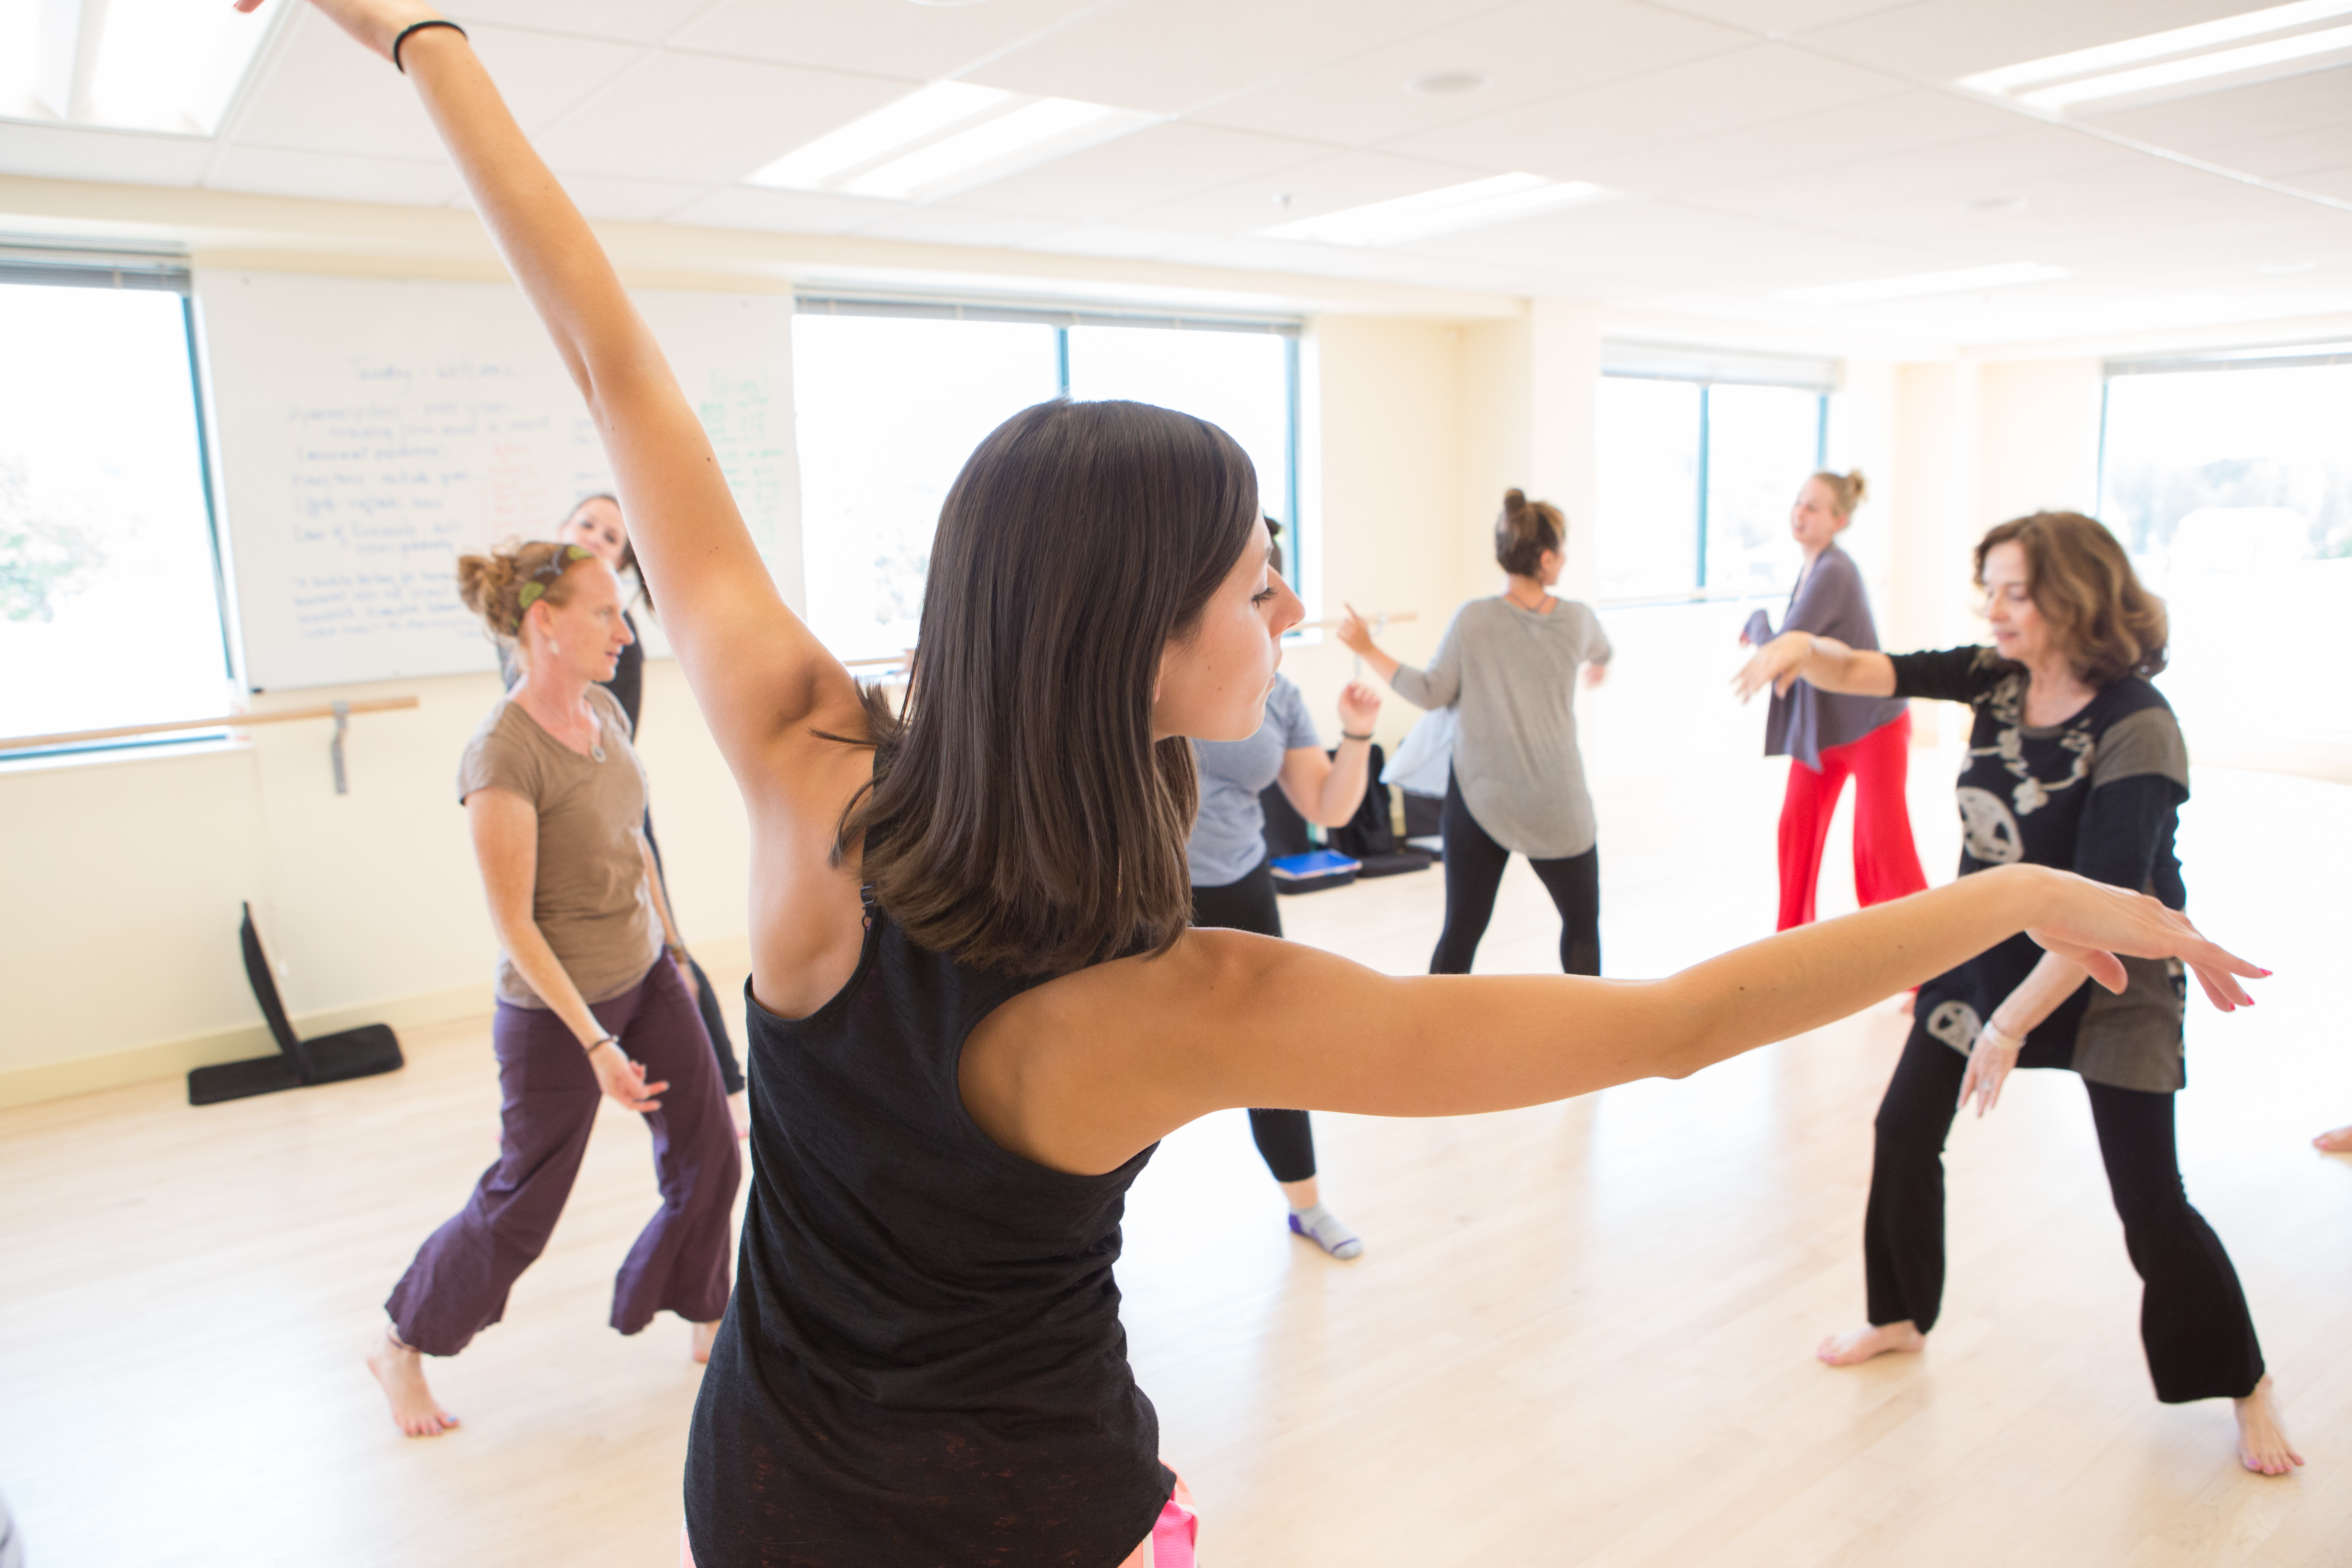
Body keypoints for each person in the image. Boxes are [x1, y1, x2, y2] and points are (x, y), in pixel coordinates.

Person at [271, 6, 2266, 1557]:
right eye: (1258, 577)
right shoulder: (1189, 1006)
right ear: (1144, 642)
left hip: (766, 1491)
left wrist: (414, 37)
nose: (1287, 604)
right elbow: (1683, 1023)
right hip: (1020, 1520)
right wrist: (2022, 895)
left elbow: (612, 356)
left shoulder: (815, 776)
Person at [1735, 510, 2301, 1477]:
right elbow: (1873, 670)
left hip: (2115, 971)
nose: (1991, 609)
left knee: (2148, 1200)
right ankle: (1899, 1313)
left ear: (2071, 597)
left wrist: (2006, 1026)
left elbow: (2105, 912)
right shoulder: (1993, 677)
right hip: (1987, 949)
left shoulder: (2134, 726)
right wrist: (1804, 647)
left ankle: (2242, 1381)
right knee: (1903, 1127)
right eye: (1984, 588)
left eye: (2013, 591)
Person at [364, 537, 741, 1438]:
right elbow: (516, 926)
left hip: (647, 972)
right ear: (545, 621)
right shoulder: (502, 754)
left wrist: (676, 949)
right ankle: (401, 1341)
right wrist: (598, 1044)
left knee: (712, 1155)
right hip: (554, 1012)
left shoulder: (605, 712)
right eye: (605, 612)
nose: (624, 628)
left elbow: (633, 840)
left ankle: (706, 1321)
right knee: (522, 1205)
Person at [1189, 521, 1381, 1260]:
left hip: (1239, 888)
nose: (1285, 606)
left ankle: (1306, 1206)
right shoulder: (1143, 673)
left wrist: (1357, 735)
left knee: (1274, 1057)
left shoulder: (1282, 695)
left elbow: (1328, 809)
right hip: (1141, 900)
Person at [1338, 490, 1611, 978]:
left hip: (1482, 798)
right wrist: (1597, 668)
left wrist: (1367, 647)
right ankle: (1591, 1041)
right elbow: (1602, 651)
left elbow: (1430, 692)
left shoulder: (1474, 620)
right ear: (1546, 559)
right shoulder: (1578, 620)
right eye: (1563, 551)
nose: (1565, 560)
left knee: (1462, 930)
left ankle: (1431, 1041)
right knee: (1583, 927)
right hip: (1557, 802)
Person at [555, 492, 751, 1137]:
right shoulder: (537, 636)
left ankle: (724, 1083)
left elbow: (612, 748)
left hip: (614, 818)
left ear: (623, 562)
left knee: (667, 946)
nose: (593, 538)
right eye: (586, 524)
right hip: (556, 819)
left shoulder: (621, 646)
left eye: (610, 537)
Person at [1740, 470, 1928, 929]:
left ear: (1840, 519)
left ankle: (1933, 974)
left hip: (1874, 726)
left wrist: (1757, 619)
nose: (1800, 513)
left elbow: (1784, 649)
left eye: (1814, 507)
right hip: (1823, 730)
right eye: (1799, 502)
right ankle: (1790, 951)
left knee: (1882, 849)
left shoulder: (1835, 572)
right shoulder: (1811, 569)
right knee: (1795, 834)